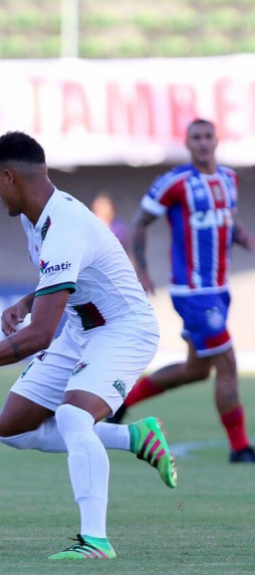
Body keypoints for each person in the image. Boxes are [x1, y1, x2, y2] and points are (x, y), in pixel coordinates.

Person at [0, 132, 178, 560]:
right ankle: (134, 437)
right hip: (79, 326)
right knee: (13, 428)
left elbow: (38, 336)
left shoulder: (66, 228)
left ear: (10, 177)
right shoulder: (36, 217)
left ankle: (95, 541)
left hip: (124, 329)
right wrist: (27, 300)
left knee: (72, 416)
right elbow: (60, 278)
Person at [109, 119, 255, 463]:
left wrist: (242, 237)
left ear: (217, 140)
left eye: (208, 137)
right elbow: (140, 222)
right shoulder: (175, 182)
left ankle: (123, 401)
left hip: (219, 289)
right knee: (228, 362)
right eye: (196, 138)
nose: (203, 143)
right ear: (188, 144)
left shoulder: (229, 180)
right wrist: (141, 269)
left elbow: (226, 220)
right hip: (192, 292)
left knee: (197, 370)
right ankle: (240, 448)